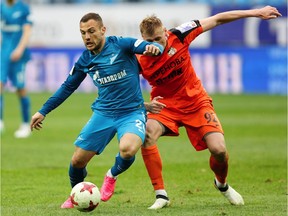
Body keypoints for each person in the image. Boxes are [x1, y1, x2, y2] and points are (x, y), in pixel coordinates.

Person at [138, 5, 282, 209]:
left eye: (158, 39)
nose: (155, 46)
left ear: (166, 33)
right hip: (164, 105)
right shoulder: (138, 58)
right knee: (147, 134)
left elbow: (217, 19)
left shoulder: (179, 35)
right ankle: (161, 195)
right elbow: (122, 84)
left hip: (196, 101)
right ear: (142, 40)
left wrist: (255, 12)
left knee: (219, 150)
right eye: (148, 42)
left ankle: (221, 184)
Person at [29, 12, 163, 208]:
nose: (87, 37)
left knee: (128, 149)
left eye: (91, 31)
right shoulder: (85, 60)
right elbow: (67, 87)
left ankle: (112, 174)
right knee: (77, 162)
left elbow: (151, 46)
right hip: (104, 113)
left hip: (131, 112)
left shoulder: (121, 44)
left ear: (103, 30)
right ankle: (75, 195)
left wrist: (154, 47)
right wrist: (43, 111)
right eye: (83, 33)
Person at [0, 0, 33, 138]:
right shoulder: (1, 7)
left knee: (20, 88)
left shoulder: (23, 8)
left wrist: (20, 49)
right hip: (4, 53)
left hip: (19, 55)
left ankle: (26, 124)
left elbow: (27, 31)